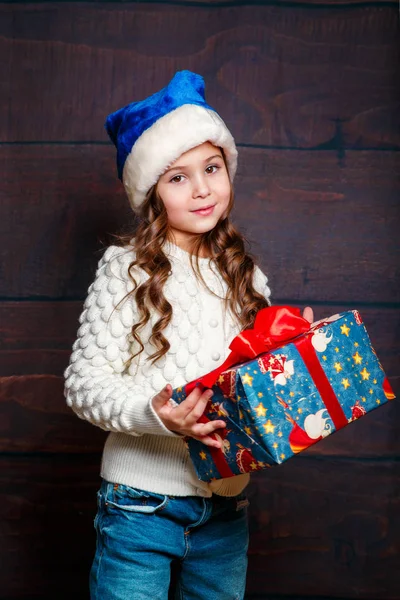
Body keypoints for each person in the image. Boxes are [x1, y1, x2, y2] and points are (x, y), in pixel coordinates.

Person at [64, 70, 313, 600]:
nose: (202, 188)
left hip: (227, 506)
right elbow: (83, 386)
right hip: (140, 506)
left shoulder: (245, 272)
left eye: (212, 168)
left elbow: (252, 387)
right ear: (150, 190)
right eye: (178, 177)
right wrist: (159, 415)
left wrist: (295, 353)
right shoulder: (126, 269)